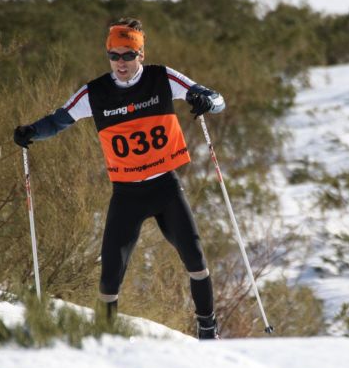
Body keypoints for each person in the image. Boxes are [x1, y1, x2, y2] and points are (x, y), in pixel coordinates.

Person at [13, 17, 224, 339]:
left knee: (195, 257)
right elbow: (57, 121)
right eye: (114, 55)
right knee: (110, 274)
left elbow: (217, 99)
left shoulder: (161, 77)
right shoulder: (94, 92)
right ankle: (106, 336)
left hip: (165, 186)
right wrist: (31, 132)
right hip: (127, 194)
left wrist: (206, 101)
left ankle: (207, 327)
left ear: (141, 54)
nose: (121, 62)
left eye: (128, 55)